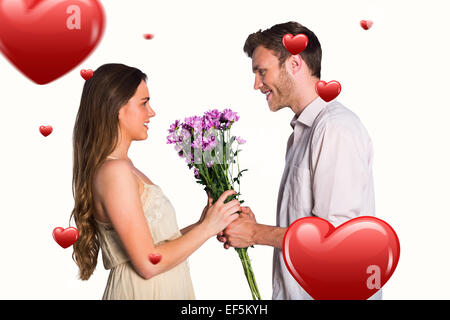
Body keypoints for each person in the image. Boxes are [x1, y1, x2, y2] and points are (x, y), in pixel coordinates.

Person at [218, 22, 382, 300]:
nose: (256, 84)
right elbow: (308, 223)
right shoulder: (302, 133)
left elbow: (336, 239)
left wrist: (256, 233)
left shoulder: (335, 129)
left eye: (262, 71)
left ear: (294, 64)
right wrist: (255, 228)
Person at [70, 63, 240, 299]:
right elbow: (148, 264)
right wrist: (207, 228)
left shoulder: (123, 167)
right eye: (144, 103)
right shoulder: (115, 172)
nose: (152, 112)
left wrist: (204, 224)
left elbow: (153, 245)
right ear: (118, 107)